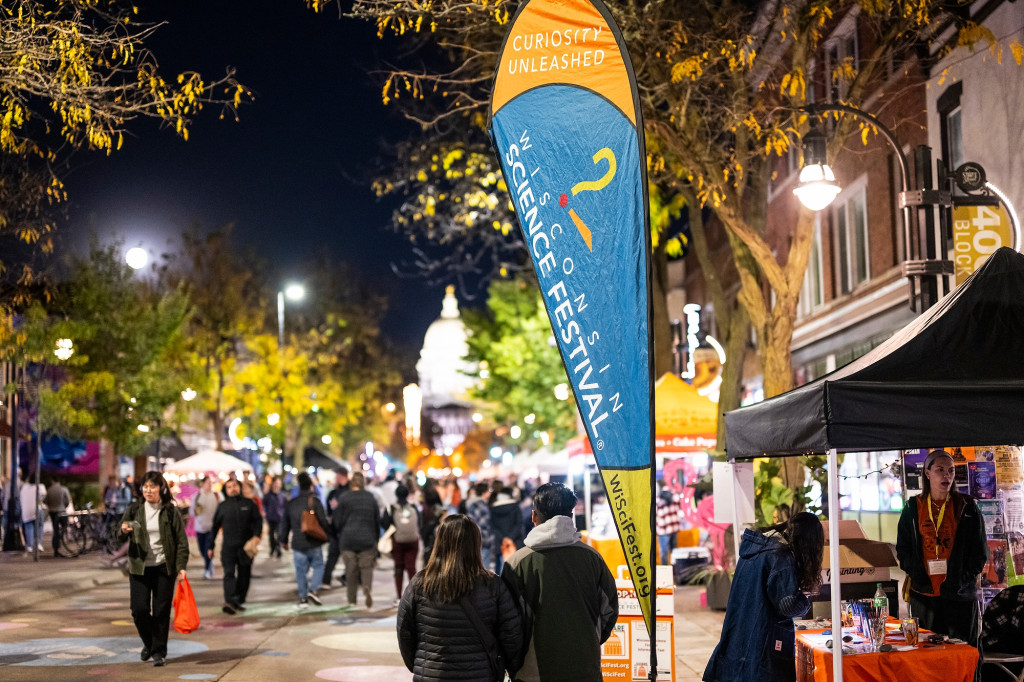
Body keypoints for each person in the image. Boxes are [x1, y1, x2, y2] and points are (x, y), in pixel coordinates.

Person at [501, 482, 617, 681]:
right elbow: (610, 610)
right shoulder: (592, 558)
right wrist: (591, 639)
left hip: (533, 672)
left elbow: (508, 624)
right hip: (585, 668)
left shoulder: (516, 563)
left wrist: (514, 665)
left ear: (533, 516)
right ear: (571, 516)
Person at [397, 514, 523, 681]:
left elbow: (405, 632)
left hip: (432, 675)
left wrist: (421, 665)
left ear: (439, 543)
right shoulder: (492, 585)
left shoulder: (420, 584)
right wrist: (508, 667)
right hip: (481, 675)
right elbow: (512, 635)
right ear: (475, 544)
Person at [703, 511, 824, 682]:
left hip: (741, 633)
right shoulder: (780, 556)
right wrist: (804, 600)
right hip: (763, 642)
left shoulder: (756, 549)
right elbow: (787, 604)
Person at [896, 449, 988, 650]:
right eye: (940, 470)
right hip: (924, 596)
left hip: (959, 596)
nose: (947, 475)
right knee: (928, 655)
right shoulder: (913, 507)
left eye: (951, 471)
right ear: (927, 473)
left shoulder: (966, 506)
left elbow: (979, 553)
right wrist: (916, 572)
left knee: (962, 653)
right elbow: (903, 549)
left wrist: (962, 579)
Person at [119, 471, 188, 668]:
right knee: (138, 610)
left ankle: (159, 652)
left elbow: (181, 541)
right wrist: (122, 530)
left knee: (161, 611)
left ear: (161, 488)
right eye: (145, 486)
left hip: (164, 568)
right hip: (139, 567)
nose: (148, 490)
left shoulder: (170, 511)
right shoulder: (134, 509)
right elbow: (118, 533)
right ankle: (150, 643)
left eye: (152, 486)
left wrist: (181, 566)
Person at [208, 478, 263, 614]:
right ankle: (230, 601)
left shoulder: (249, 504)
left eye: (235, 486)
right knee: (229, 574)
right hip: (228, 548)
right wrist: (211, 546)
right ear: (225, 490)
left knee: (244, 575)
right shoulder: (222, 506)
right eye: (229, 487)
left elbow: (258, 521)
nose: (232, 489)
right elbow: (214, 527)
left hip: (245, 548)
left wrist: (256, 536)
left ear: (239, 487)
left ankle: (238, 599)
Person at [280, 472, 330, 608]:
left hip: (298, 542)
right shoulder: (315, 501)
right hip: (314, 541)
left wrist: (283, 540)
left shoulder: (291, 503)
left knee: (300, 571)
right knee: (319, 565)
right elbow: (323, 521)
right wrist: (328, 534)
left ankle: (303, 598)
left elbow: (285, 523)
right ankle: (313, 589)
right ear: (311, 487)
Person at [333, 471, 380, 607]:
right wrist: (375, 539)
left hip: (348, 539)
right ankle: (366, 587)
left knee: (351, 571)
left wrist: (340, 532)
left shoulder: (344, 497)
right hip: (367, 538)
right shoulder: (370, 497)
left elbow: (337, 521)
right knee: (367, 568)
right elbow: (377, 520)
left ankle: (352, 600)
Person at [383, 483, 420, 604]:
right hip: (413, 541)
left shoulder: (391, 508)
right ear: (408, 494)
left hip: (398, 541)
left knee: (398, 568)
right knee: (411, 568)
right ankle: (414, 596)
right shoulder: (413, 507)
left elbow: (385, 523)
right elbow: (420, 522)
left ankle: (399, 597)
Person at [322, 465, 350, 589]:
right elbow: (328, 510)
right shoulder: (334, 492)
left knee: (346, 557)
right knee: (335, 556)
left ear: (340, 476)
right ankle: (327, 580)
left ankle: (344, 578)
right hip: (336, 530)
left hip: (345, 529)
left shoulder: (346, 492)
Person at [190, 476, 220, 579]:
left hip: (212, 527)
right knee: (202, 550)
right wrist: (197, 510)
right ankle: (209, 562)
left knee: (208, 548)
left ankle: (207, 569)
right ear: (202, 484)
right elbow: (191, 511)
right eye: (207, 482)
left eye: (210, 482)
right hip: (200, 527)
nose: (209, 484)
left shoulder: (216, 495)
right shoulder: (197, 496)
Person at [489, 486, 525, 574]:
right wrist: (510, 538)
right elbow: (519, 524)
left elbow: (493, 526)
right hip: (515, 541)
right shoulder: (515, 507)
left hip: (500, 543)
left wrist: (503, 538)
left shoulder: (493, 509)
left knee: (500, 569)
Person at [466, 482, 495, 569]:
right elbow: (484, 525)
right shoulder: (482, 506)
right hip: (484, 539)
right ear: (484, 492)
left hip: (474, 538)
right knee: (484, 566)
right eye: (489, 490)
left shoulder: (471, 504)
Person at [44, 476, 72, 557]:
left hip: (53, 512)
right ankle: (62, 542)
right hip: (62, 511)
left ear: (52, 480)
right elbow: (67, 500)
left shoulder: (49, 490)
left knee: (55, 530)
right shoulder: (64, 489)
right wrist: (64, 506)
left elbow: (46, 501)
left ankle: (56, 548)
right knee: (64, 528)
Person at [656, 479, 681, 566]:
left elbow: (654, 514)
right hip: (674, 527)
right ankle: (676, 572)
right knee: (675, 551)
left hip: (663, 529)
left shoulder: (657, 498)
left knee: (664, 552)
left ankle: (666, 573)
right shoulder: (674, 495)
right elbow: (679, 507)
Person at [19, 474, 46, 552]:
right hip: (37, 510)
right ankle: (38, 543)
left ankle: (30, 545)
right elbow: (43, 495)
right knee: (39, 526)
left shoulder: (24, 487)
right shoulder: (40, 486)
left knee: (29, 527)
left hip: (26, 511)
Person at [263, 476, 287, 559]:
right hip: (270, 518)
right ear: (272, 484)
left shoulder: (283, 495)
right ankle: (272, 548)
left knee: (279, 534)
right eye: (275, 483)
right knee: (271, 535)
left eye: (278, 483)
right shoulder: (268, 495)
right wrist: (265, 512)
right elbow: (264, 505)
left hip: (280, 518)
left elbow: (285, 506)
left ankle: (278, 548)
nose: (277, 485)